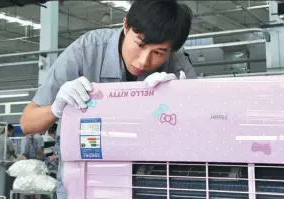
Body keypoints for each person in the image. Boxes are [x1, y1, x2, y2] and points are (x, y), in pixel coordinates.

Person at [20, 0, 196, 198]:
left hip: (148, 184)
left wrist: (179, 100)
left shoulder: (176, 62)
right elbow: (27, 123)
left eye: (158, 53)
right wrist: (56, 108)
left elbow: (201, 131)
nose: (144, 60)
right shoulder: (86, 51)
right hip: (84, 183)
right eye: (140, 44)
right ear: (126, 25)